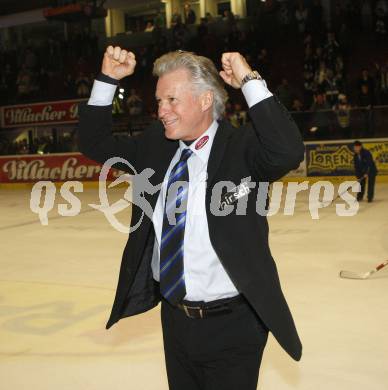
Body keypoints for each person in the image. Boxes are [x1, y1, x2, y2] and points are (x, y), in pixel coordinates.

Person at [78, 46, 304, 390]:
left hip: (235, 326)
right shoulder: (157, 145)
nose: (161, 111)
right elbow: (94, 142)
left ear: (204, 100)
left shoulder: (243, 149)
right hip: (175, 320)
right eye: (158, 101)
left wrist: (248, 80)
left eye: (171, 100)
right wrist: (108, 79)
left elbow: (288, 150)